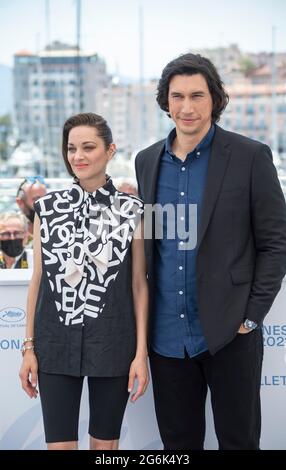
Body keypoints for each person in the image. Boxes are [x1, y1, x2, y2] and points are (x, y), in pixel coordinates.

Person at [135, 53, 286, 450]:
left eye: (197, 96)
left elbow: (276, 242)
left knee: (239, 442)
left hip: (229, 333)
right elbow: (154, 244)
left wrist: (251, 317)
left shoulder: (251, 156)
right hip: (166, 339)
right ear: (165, 101)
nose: (187, 107)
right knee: (178, 446)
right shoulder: (147, 161)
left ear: (215, 100)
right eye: (178, 96)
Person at [19, 112, 149, 450]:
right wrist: (29, 349)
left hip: (114, 344)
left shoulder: (133, 210)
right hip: (54, 344)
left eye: (88, 147)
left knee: (104, 449)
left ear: (110, 151)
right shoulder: (46, 209)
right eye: (71, 148)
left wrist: (140, 354)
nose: (78, 156)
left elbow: (138, 285)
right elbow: (37, 282)